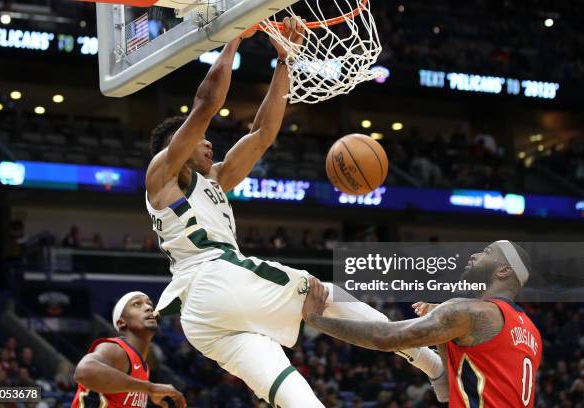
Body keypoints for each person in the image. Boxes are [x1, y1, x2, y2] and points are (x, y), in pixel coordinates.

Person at [144, 18, 445, 407]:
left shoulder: (214, 180)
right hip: (213, 277)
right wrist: (233, 37)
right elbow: (206, 104)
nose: (208, 143)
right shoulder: (163, 173)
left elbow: (262, 134)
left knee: (292, 393)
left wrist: (284, 62)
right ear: (176, 146)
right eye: (199, 139)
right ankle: (431, 363)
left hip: (203, 319)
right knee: (328, 295)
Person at [302, 240, 542, 407]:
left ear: (503, 271)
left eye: (487, 252)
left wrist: (316, 320)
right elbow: (451, 392)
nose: (474, 255)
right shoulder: (531, 333)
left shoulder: (471, 310)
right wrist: (444, 337)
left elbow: (384, 337)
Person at [72, 292, 186, 408]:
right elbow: (84, 372)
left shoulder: (143, 368)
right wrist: (150, 388)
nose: (148, 308)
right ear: (122, 322)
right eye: (137, 304)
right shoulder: (116, 348)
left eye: (149, 304)